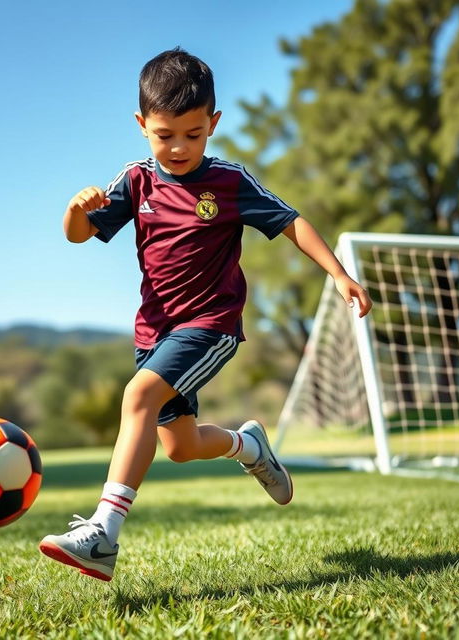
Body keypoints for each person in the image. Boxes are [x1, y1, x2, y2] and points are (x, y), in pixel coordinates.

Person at [39, 47, 372, 581]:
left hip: (210, 325)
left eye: (193, 135)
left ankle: (103, 533)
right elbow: (82, 235)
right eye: (165, 134)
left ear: (213, 124)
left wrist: (337, 272)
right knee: (180, 446)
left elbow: (292, 222)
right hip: (154, 331)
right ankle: (249, 445)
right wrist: (74, 212)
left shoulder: (229, 183)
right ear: (141, 124)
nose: (178, 147)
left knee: (137, 397)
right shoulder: (136, 181)